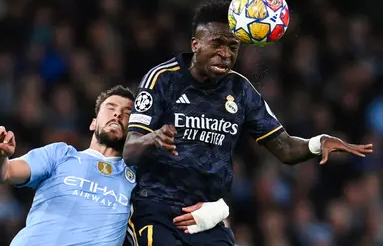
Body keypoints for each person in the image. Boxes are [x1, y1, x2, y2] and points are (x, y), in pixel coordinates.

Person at [123, 0, 374, 246]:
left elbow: (285, 148)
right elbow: (130, 149)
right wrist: (152, 138)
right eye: (217, 44)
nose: (225, 54)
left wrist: (319, 142)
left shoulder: (241, 90)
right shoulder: (162, 79)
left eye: (233, 47)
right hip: (157, 209)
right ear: (196, 44)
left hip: (207, 217)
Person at [0, 85, 228, 246]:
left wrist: (218, 209)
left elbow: (201, 202)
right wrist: (1, 155)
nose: (118, 114)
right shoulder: (61, 154)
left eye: (128, 112)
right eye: (110, 108)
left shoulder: (141, 175)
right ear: (93, 122)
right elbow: (7, 172)